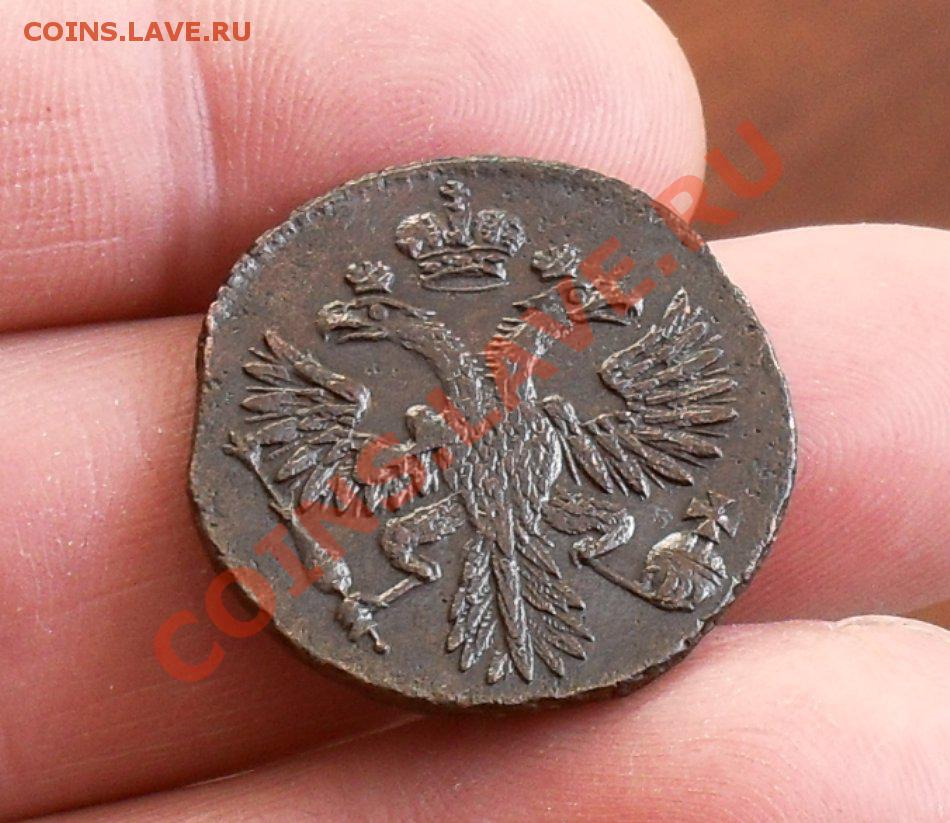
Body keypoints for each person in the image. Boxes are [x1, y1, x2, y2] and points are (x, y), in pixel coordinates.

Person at [1, 1, 947, 819]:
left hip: (536, 531)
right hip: (471, 533)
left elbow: (519, 358)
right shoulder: (440, 417)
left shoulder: (533, 406)